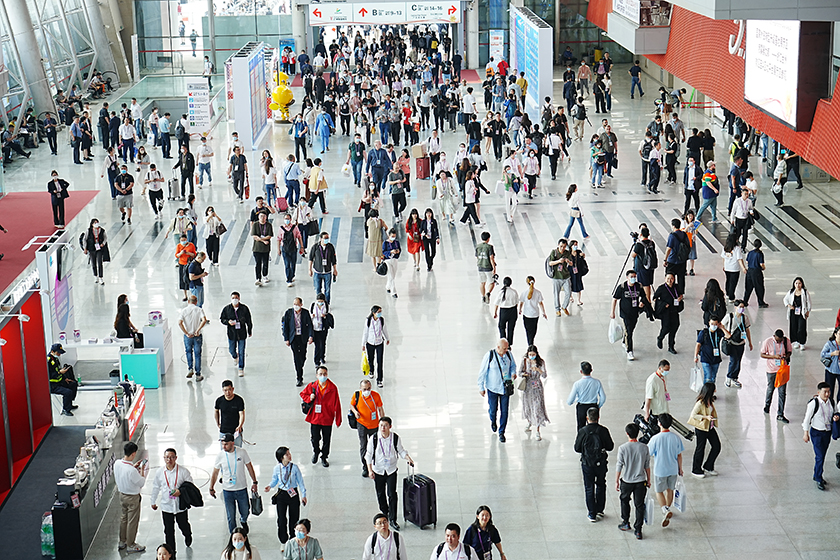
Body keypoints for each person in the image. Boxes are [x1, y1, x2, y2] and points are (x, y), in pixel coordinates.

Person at [366, 416, 414, 530]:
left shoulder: (395, 438)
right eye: (381, 425)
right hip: (378, 470)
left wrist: (408, 458)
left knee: (392, 494)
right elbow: (368, 455)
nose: (383, 428)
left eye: (385, 425)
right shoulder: (374, 439)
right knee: (380, 494)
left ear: (390, 426)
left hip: (391, 470)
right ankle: (385, 512)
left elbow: (401, 450)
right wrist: (370, 470)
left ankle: (393, 519)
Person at [209, 433, 258, 534]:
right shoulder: (220, 456)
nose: (224, 446)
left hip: (241, 489)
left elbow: (249, 467)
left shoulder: (242, 452)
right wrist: (211, 487)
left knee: (245, 511)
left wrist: (254, 482)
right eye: (222, 444)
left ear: (232, 443)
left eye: (226, 444)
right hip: (227, 491)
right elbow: (215, 473)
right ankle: (234, 535)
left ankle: (243, 520)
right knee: (230, 516)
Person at [574, 406, 614, 522]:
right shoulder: (603, 430)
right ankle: (600, 509)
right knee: (601, 484)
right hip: (600, 463)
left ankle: (592, 514)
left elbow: (577, 448)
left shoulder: (583, 431)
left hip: (587, 463)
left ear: (587, 418)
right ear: (598, 418)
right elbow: (610, 447)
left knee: (589, 487)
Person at [150, 448, 193, 556]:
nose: (169, 459)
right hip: (166, 506)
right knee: (168, 531)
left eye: (172, 457)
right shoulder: (160, 472)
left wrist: (180, 491)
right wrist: (153, 501)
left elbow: (190, 486)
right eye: (167, 457)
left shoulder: (183, 471)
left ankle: (187, 535)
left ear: (176, 458)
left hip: (180, 505)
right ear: (164, 458)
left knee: (183, 525)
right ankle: (171, 552)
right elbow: (156, 487)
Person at [264, 446, 307, 547]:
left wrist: (304, 495)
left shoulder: (295, 468)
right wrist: (270, 486)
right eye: (287, 454)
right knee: (281, 518)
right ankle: (283, 540)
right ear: (281, 457)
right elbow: (275, 480)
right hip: (281, 495)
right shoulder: (277, 468)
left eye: (289, 453)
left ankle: (293, 538)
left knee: (294, 518)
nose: (289, 455)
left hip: (293, 494)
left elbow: (300, 482)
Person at [300, 365, 342, 467]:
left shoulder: (332, 388)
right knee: (314, 438)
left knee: (326, 440)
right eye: (320, 374)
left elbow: (337, 404)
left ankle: (324, 457)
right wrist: (310, 398)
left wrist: (338, 419)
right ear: (317, 375)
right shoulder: (312, 386)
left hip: (327, 418)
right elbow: (303, 394)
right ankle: (316, 451)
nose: (323, 376)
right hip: (315, 417)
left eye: (324, 374)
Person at [647, 413, 683, 528]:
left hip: (660, 470)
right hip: (673, 469)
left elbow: (649, 453)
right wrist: (680, 468)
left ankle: (664, 509)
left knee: (658, 491)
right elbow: (679, 455)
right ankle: (668, 508)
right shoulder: (676, 438)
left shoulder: (655, 439)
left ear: (659, 423)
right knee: (670, 490)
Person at [477, 338, 517, 443]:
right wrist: (481, 387)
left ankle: (502, 432)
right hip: (493, 388)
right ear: (498, 347)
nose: (506, 350)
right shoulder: (490, 356)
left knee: (505, 411)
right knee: (493, 409)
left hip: (505, 388)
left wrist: (513, 373)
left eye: (507, 348)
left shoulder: (508, 355)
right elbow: (482, 372)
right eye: (504, 349)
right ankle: (493, 420)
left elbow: (513, 366)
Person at [615, 423, 650, 540]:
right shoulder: (644, 447)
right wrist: (649, 479)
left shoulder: (622, 448)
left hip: (627, 480)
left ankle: (626, 522)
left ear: (627, 434)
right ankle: (638, 530)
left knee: (624, 500)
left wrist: (616, 480)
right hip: (641, 481)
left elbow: (619, 465)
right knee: (639, 505)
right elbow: (647, 466)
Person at [802, 382, 838, 491]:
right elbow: (807, 419)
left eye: (829, 391)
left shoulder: (831, 402)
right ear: (818, 392)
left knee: (822, 455)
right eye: (824, 392)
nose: (827, 394)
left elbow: (836, 412)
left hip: (827, 432)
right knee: (820, 456)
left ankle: (816, 474)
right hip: (816, 433)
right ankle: (818, 478)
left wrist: (836, 417)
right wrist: (805, 433)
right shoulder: (814, 403)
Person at [114, 441, 148, 553]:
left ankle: (122, 541)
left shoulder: (117, 463)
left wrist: (134, 466)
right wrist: (142, 470)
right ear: (133, 454)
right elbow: (141, 482)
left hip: (122, 495)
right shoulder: (132, 471)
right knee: (132, 521)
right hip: (132, 498)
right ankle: (131, 544)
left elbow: (125, 472)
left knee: (124, 518)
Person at [611, 270, 651, 361]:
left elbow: (644, 296)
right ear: (627, 277)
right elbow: (614, 299)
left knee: (631, 329)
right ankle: (629, 351)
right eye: (631, 277)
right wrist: (612, 312)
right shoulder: (622, 287)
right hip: (625, 313)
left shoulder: (638, 286)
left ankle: (624, 341)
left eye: (634, 277)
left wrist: (642, 302)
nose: (633, 278)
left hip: (635, 312)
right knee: (629, 332)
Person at [687, 382, 720, 479]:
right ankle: (696, 469)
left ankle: (708, 466)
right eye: (714, 389)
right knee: (700, 448)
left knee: (716, 446)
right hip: (701, 428)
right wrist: (705, 417)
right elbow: (693, 415)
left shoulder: (710, 400)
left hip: (709, 427)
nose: (715, 391)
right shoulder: (700, 403)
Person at [517, 345, 549, 440]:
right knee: (528, 406)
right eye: (530, 354)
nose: (531, 356)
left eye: (533, 354)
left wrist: (538, 369)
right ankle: (529, 421)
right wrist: (524, 374)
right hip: (527, 387)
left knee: (537, 407)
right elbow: (519, 372)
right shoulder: (525, 361)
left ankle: (538, 430)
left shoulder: (541, 362)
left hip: (537, 387)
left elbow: (544, 375)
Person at [761, 329, 793, 423]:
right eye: (778, 340)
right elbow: (762, 354)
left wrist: (786, 356)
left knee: (782, 392)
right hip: (771, 370)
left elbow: (790, 351)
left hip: (782, 369)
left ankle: (780, 414)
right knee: (770, 388)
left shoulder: (786, 341)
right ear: (774, 336)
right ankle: (767, 405)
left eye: (781, 340)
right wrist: (773, 357)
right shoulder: (768, 342)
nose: (779, 342)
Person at [721, 300, 753, 388]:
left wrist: (750, 342)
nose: (742, 309)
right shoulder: (730, 316)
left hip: (741, 343)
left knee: (738, 361)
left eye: (743, 307)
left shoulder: (745, 318)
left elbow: (747, 330)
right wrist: (726, 334)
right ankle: (729, 377)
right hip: (731, 343)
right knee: (734, 360)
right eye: (740, 307)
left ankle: (734, 377)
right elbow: (721, 325)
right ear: (735, 307)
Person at [282, 297, 314, 386]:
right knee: (296, 356)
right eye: (294, 304)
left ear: (301, 304)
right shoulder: (288, 313)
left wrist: (311, 336)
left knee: (303, 355)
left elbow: (310, 325)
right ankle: (299, 377)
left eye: (297, 304)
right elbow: (285, 327)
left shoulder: (305, 313)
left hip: (302, 337)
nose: (296, 306)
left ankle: (300, 364)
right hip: (293, 338)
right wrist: (286, 338)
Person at [567, 361, 607, 431]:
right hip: (593, 406)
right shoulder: (597, 382)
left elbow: (570, 401)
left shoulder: (577, 384)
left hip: (581, 407)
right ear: (591, 370)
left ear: (581, 371)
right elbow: (603, 397)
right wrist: (598, 406)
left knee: (581, 428)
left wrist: (571, 402)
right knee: (594, 428)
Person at [219, 293, 253, 376]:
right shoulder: (227, 309)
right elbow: (222, 319)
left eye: (236, 298)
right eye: (233, 298)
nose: (235, 299)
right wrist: (228, 322)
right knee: (231, 350)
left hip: (242, 333)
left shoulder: (244, 308)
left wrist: (249, 330)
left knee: (242, 351)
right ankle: (235, 356)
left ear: (239, 298)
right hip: (232, 333)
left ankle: (241, 368)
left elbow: (249, 320)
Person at [178, 295, 207, 381]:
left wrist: (186, 333)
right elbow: (204, 320)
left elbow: (179, 322)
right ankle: (198, 374)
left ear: (188, 301)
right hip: (197, 335)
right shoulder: (199, 310)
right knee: (197, 354)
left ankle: (190, 368)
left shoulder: (184, 311)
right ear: (196, 301)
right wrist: (198, 330)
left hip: (188, 336)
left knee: (188, 352)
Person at [653, 273, 683, 354]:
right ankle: (660, 337)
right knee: (666, 328)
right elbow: (655, 298)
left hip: (675, 310)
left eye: (671, 278)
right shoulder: (661, 288)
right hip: (666, 312)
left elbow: (680, 294)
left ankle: (671, 346)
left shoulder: (676, 287)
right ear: (665, 279)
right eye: (668, 278)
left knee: (674, 328)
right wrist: (663, 304)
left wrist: (680, 297)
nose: (670, 280)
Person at [694, 316, 730, 384]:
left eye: (716, 324)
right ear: (709, 323)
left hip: (716, 359)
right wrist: (695, 356)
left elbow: (728, 336)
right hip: (705, 358)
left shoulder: (719, 332)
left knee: (713, 377)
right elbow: (698, 344)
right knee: (708, 376)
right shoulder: (704, 333)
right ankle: (706, 390)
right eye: (712, 324)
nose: (714, 326)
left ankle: (711, 390)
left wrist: (722, 328)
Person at [362, 306, 390, 388]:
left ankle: (379, 379)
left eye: (380, 311)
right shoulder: (368, 321)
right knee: (371, 359)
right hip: (370, 342)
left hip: (379, 343)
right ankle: (371, 370)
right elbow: (365, 332)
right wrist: (363, 344)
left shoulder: (382, 320)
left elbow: (384, 330)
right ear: (373, 313)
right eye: (378, 312)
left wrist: (387, 338)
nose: (380, 313)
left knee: (380, 361)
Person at [47, 343, 78, 416]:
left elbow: (59, 370)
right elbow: (48, 375)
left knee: (73, 384)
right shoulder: (48, 361)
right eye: (58, 353)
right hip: (53, 385)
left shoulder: (55, 359)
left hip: (60, 382)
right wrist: (59, 372)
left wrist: (65, 378)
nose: (59, 354)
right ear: (52, 351)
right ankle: (65, 409)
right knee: (68, 392)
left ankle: (69, 404)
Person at [309, 231, 338, 305]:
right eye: (325, 238)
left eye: (327, 238)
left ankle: (326, 304)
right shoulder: (315, 247)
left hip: (327, 272)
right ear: (321, 238)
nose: (326, 240)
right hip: (317, 271)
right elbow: (311, 258)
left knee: (327, 289)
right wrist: (310, 269)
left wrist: (335, 269)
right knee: (318, 289)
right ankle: (319, 303)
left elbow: (333, 259)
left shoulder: (330, 247)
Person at [663, 218, 689, 293]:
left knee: (670, 276)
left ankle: (671, 292)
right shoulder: (684, 234)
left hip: (672, 260)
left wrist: (665, 259)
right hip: (682, 260)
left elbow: (669, 249)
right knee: (681, 278)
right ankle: (680, 293)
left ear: (673, 226)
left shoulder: (672, 236)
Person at [518, 276, 547, 345]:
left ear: (527, 282)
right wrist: (544, 312)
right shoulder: (538, 292)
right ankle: (531, 342)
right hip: (535, 314)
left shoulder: (524, 292)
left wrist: (520, 310)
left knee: (528, 330)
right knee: (533, 330)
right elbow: (541, 303)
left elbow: (521, 303)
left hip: (527, 314)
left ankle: (530, 343)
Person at [547, 239, 573, 316]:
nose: (562, 248)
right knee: (556, 293)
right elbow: (550, 263)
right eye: (561, 246)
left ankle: (564, 306)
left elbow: (571, 263)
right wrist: (558, 261)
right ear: (558, 245)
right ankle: (557, 309)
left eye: (564, 247)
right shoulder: (554, 252)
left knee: (568, 292)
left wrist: (568, 261)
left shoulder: (567, 253)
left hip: (566, 276)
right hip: (556, 277)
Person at [277, 214, 304, 287]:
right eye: (285, 219)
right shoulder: (281, 228)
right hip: (285, 249)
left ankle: (292, 275)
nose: (287, 220)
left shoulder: (295, 228)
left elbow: (299, 236)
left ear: (291, 219)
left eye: (288, 219)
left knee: (293, 264)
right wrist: (278, 249)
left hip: (293, 249)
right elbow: (279, 239)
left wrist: (301, 246)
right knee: (287, 264)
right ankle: (289, 279)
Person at [784, 277, 811, 350]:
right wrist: (789, 305)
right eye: (796, 283)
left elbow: (808, 302)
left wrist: (808, 311)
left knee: (801, 327)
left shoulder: (805, 292)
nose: (798, 285)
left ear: (802, 284)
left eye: (799, 283)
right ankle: (796, 341)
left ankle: (802, 342)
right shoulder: (791, 292)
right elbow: (785, 299)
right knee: (794, 327)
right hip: (793, 312)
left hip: (802, 312)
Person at [493, 277, 519, 345]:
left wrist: (495, 312)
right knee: (511, 329)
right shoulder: (514, 292)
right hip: (513, 310)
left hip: (503, 311)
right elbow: (517, 303)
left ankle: (503, 342)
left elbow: (496, 303)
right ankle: (509, 343)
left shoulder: (501, 292)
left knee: (501, 327)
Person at [81, 219, 108, 285]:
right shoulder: (89, 231)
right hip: (91, 248)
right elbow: (85, 239)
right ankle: (95, 276)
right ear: (92, 224)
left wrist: (103, 243)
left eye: (97, 222)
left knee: (100, 262)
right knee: (93, 263)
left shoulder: (102, 230)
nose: (96, 224)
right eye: (95, 223)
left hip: (99, 248)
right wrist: (85, 248)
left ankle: (101, 277)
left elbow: (105, 238)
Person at [743, 238, 768, 308]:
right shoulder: (760, 253)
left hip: (749, 271)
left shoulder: (750, 253)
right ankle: (761, 302)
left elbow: (747, 262)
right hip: (756, 272)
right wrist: (763, 268)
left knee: (748, 288)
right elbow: (761, 264)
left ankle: (745, 301)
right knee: (759, 288)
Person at [475, 231, 497, 304]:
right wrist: (494, 267)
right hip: (488, 267)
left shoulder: (478, 246)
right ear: (488, 238)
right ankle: (488, 293)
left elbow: (477, 256)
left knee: (482, 283)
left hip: (480, 266)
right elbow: (491, 258)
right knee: (492, 282)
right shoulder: (489, 247)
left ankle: (483, 296)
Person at [820, 328, 840, 399]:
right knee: (829, 389)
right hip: (831, 370)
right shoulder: (830, 344)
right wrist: (832, 353)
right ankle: (830, 403)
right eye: (839, 334)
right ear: (835, 334)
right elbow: (822, 354)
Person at [382, 228, 401, 298]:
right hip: (388, 261)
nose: (393, 238)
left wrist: (397, 251)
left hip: (395, 260)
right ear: (389, 235)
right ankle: (394, 292)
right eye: (392, 236)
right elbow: (383, 252)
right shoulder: (385, 243)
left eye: (394, 236)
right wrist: (390, 252)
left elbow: (400, 249)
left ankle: (387, 286)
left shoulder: (397, 242)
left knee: (393, 275)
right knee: (391, 276)